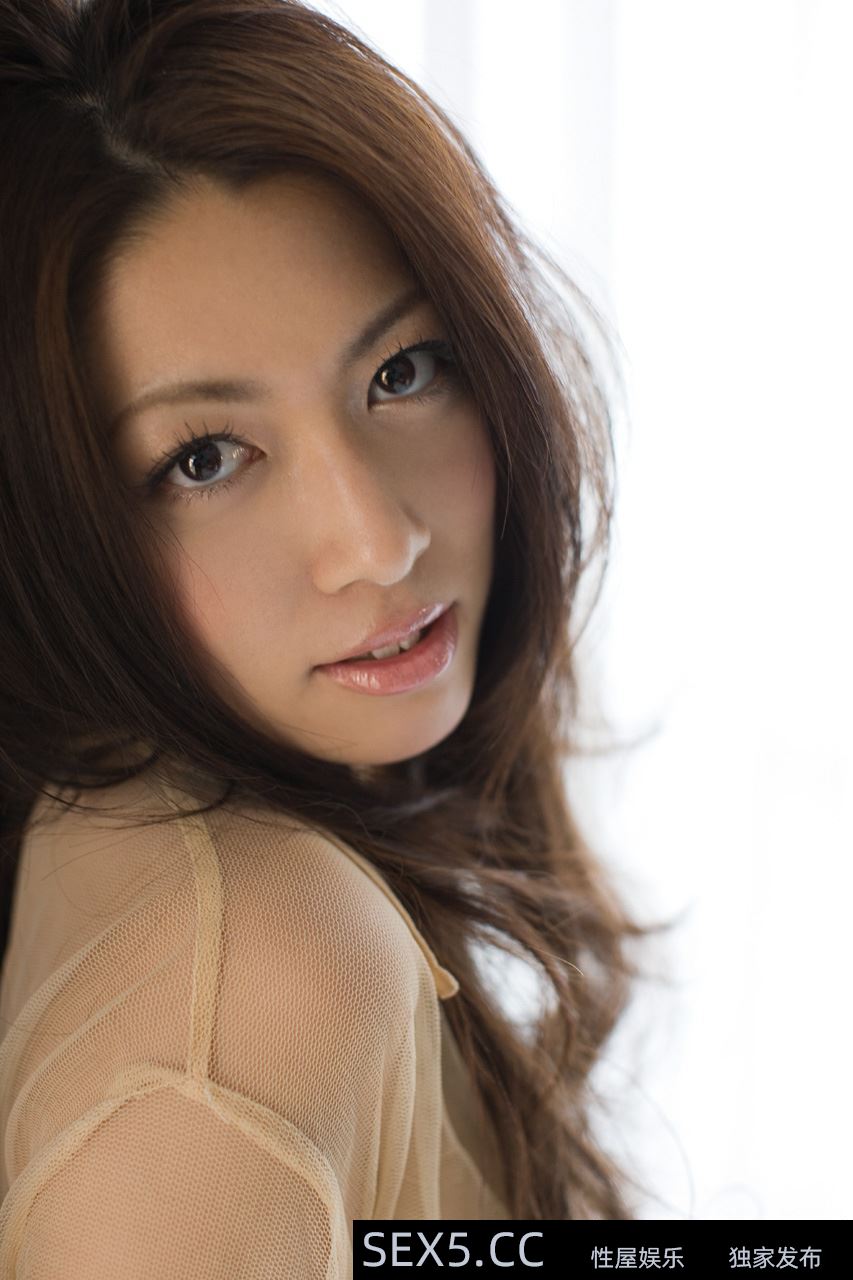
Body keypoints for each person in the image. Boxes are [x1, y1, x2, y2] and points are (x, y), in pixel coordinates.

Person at [0, 0, 652, 1271]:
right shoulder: (261, 974)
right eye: (205, 456)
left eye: (401, 371)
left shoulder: (153, 829)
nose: (378, 541)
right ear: (56, 531)